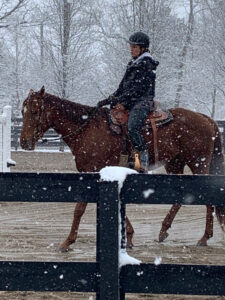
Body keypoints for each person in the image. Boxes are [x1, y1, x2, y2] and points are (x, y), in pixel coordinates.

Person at [97, 31, 159, 172]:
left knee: (133, 126)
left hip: (143, 101)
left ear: (143, 48)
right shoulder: (132, 64)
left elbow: (138, 90)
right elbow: (122, 87)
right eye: (131, 47)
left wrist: (122, 101)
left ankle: (143, 158)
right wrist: (109, 99)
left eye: (135, 47)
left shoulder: (146, 64)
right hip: (132, 101)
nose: (131, 50)